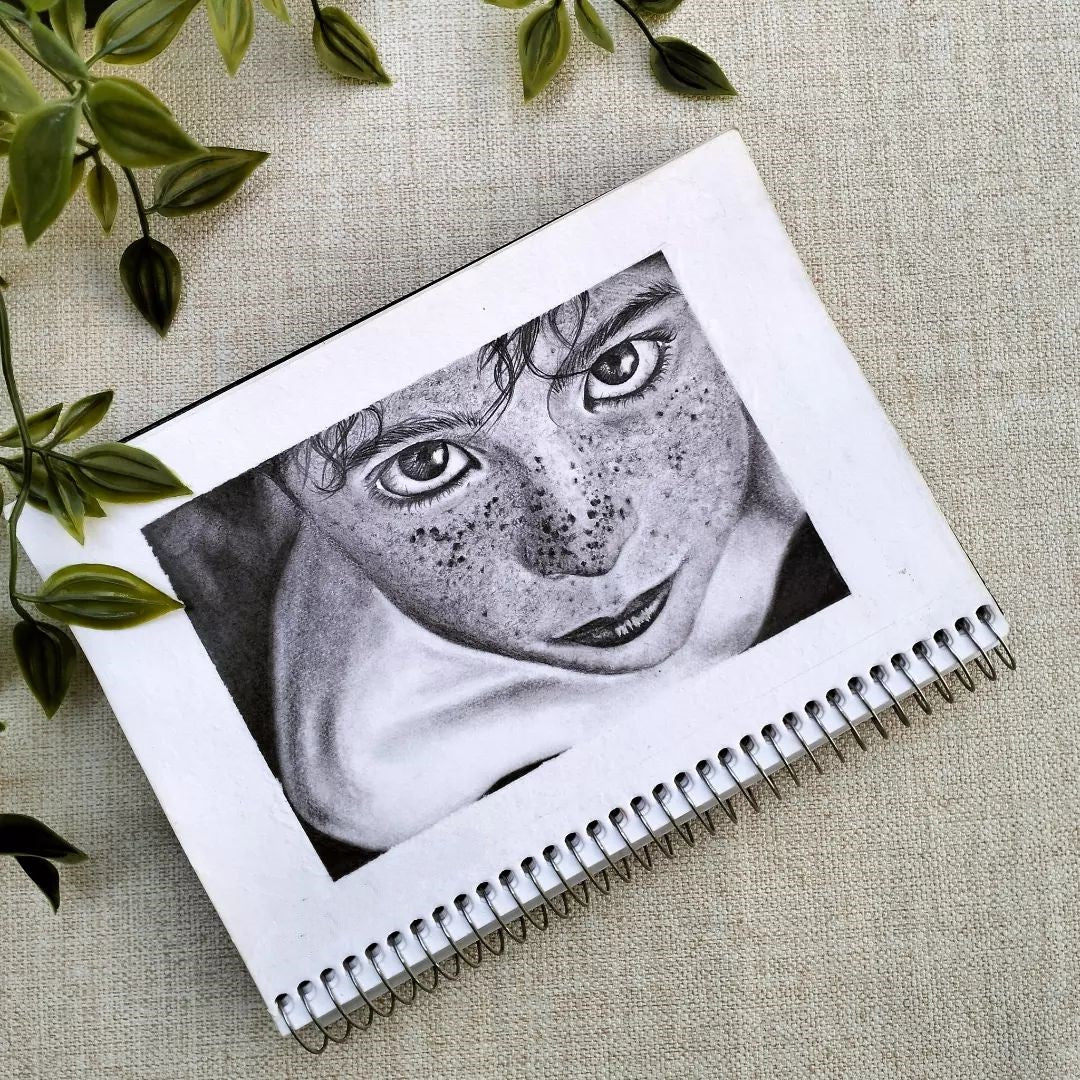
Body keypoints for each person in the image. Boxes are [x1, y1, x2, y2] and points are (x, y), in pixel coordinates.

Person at [253, 252, 848, 864]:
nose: (589, 546)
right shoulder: (372, 765)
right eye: (423, 466)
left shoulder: (815, 433)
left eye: (619, 367)